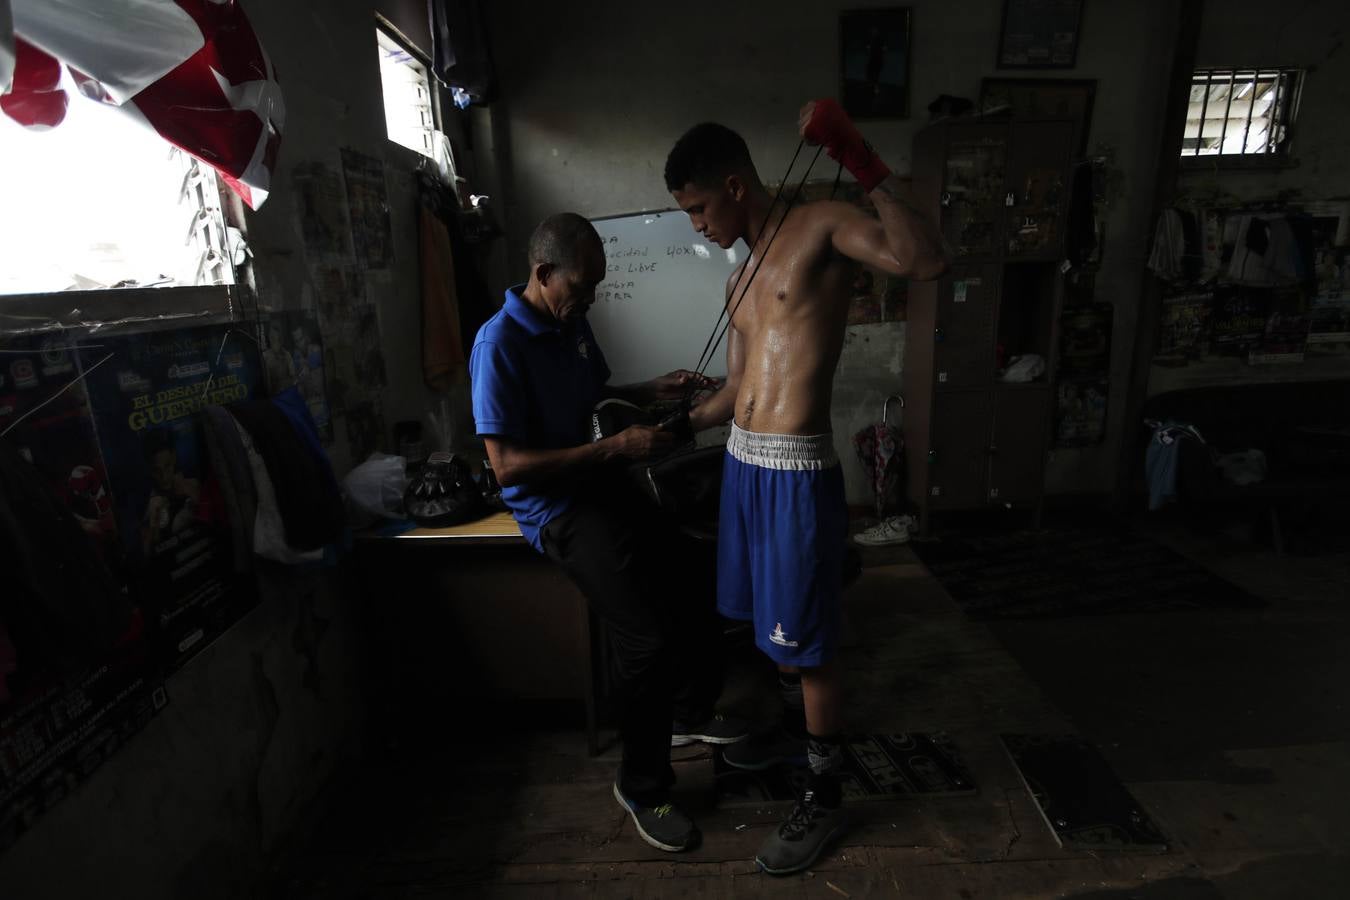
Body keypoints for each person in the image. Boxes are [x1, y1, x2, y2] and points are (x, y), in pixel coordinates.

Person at [665, 100, 947, 875]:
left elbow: (923, 262)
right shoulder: (740, 277)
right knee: (770, 631)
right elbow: (738, 389)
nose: (695, 225)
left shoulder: (825, 223)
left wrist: (863, 160)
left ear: (732, 183)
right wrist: (677, 424)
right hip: (744, 465)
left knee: (811, 646)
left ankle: (825, 798)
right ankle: (793, 736)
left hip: (795, 473)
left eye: (696, 208)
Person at [469, 212, 749, 854]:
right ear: (542, 274)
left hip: (601, 484)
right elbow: (507, 465)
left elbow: (595, 396)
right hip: (558, 511)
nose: (591, 299)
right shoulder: (499, 344)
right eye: (583, 288)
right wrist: (615, 448)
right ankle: (643, 786)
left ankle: (688, 713)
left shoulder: (570, 320)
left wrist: (653, 388)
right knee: (645, 637)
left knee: (694, 571)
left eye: (596, 288)